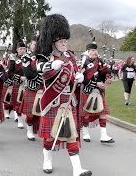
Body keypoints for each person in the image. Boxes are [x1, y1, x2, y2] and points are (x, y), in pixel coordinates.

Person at [36, 14, 92, 176]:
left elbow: (74, 75)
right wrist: (50, 65)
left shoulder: (71, 57)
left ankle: (77, 169)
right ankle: (47, 160)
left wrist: (80, 78)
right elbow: (37, 68)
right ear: (53, 41)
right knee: (49, 137)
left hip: (68, 101)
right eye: (61, 41)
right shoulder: (45, 57)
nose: (64, 43)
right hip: (52, 101)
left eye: (66, 40)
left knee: (71, 135)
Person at [79, 42, 114, 144]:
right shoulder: (84, 63)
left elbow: (106, 70)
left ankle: (103, 135)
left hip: (99, 91)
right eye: (93, 50)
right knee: (86, 114)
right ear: (88, 51)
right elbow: (82, 79)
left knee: (103, 112)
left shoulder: (100, 61)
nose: (95, 52)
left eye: (96, 50)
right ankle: (85, 133)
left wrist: (107, 78)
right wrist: (96, 84)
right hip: (87, 90)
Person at [20, 36, 41, 141]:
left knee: (43, 111)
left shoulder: (44, 56)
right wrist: (39, 79)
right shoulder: (26, 57)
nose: (36, 46)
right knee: (31, 113)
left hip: (43, 89)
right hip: (32, 87)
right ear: (30, 45)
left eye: (38, 43)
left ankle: (42, 130)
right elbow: (27, 72)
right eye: (34, 44)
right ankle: (29, 130)